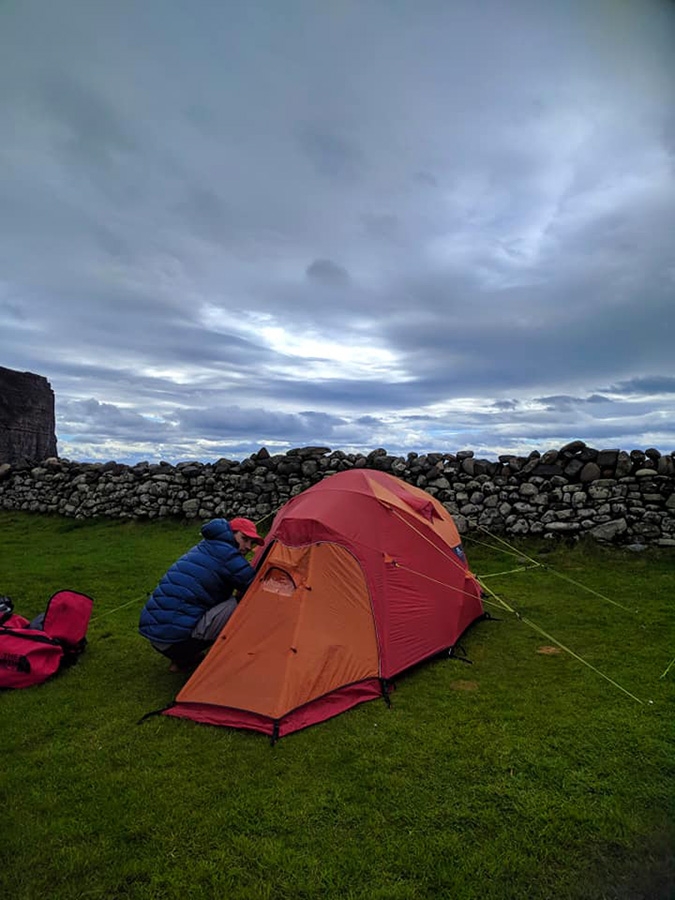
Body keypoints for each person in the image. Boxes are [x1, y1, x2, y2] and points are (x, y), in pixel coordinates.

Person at [138, 516, 263, 672]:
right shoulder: (228, 555)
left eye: (252, 543)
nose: (248, 547)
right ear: (231, 534)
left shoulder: (206, 546)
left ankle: (182, 660)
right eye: (244, 539)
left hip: (155, 635)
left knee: (200, 604)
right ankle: (237, 660)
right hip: (174, 639)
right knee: (239, 603)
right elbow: (255, 585)